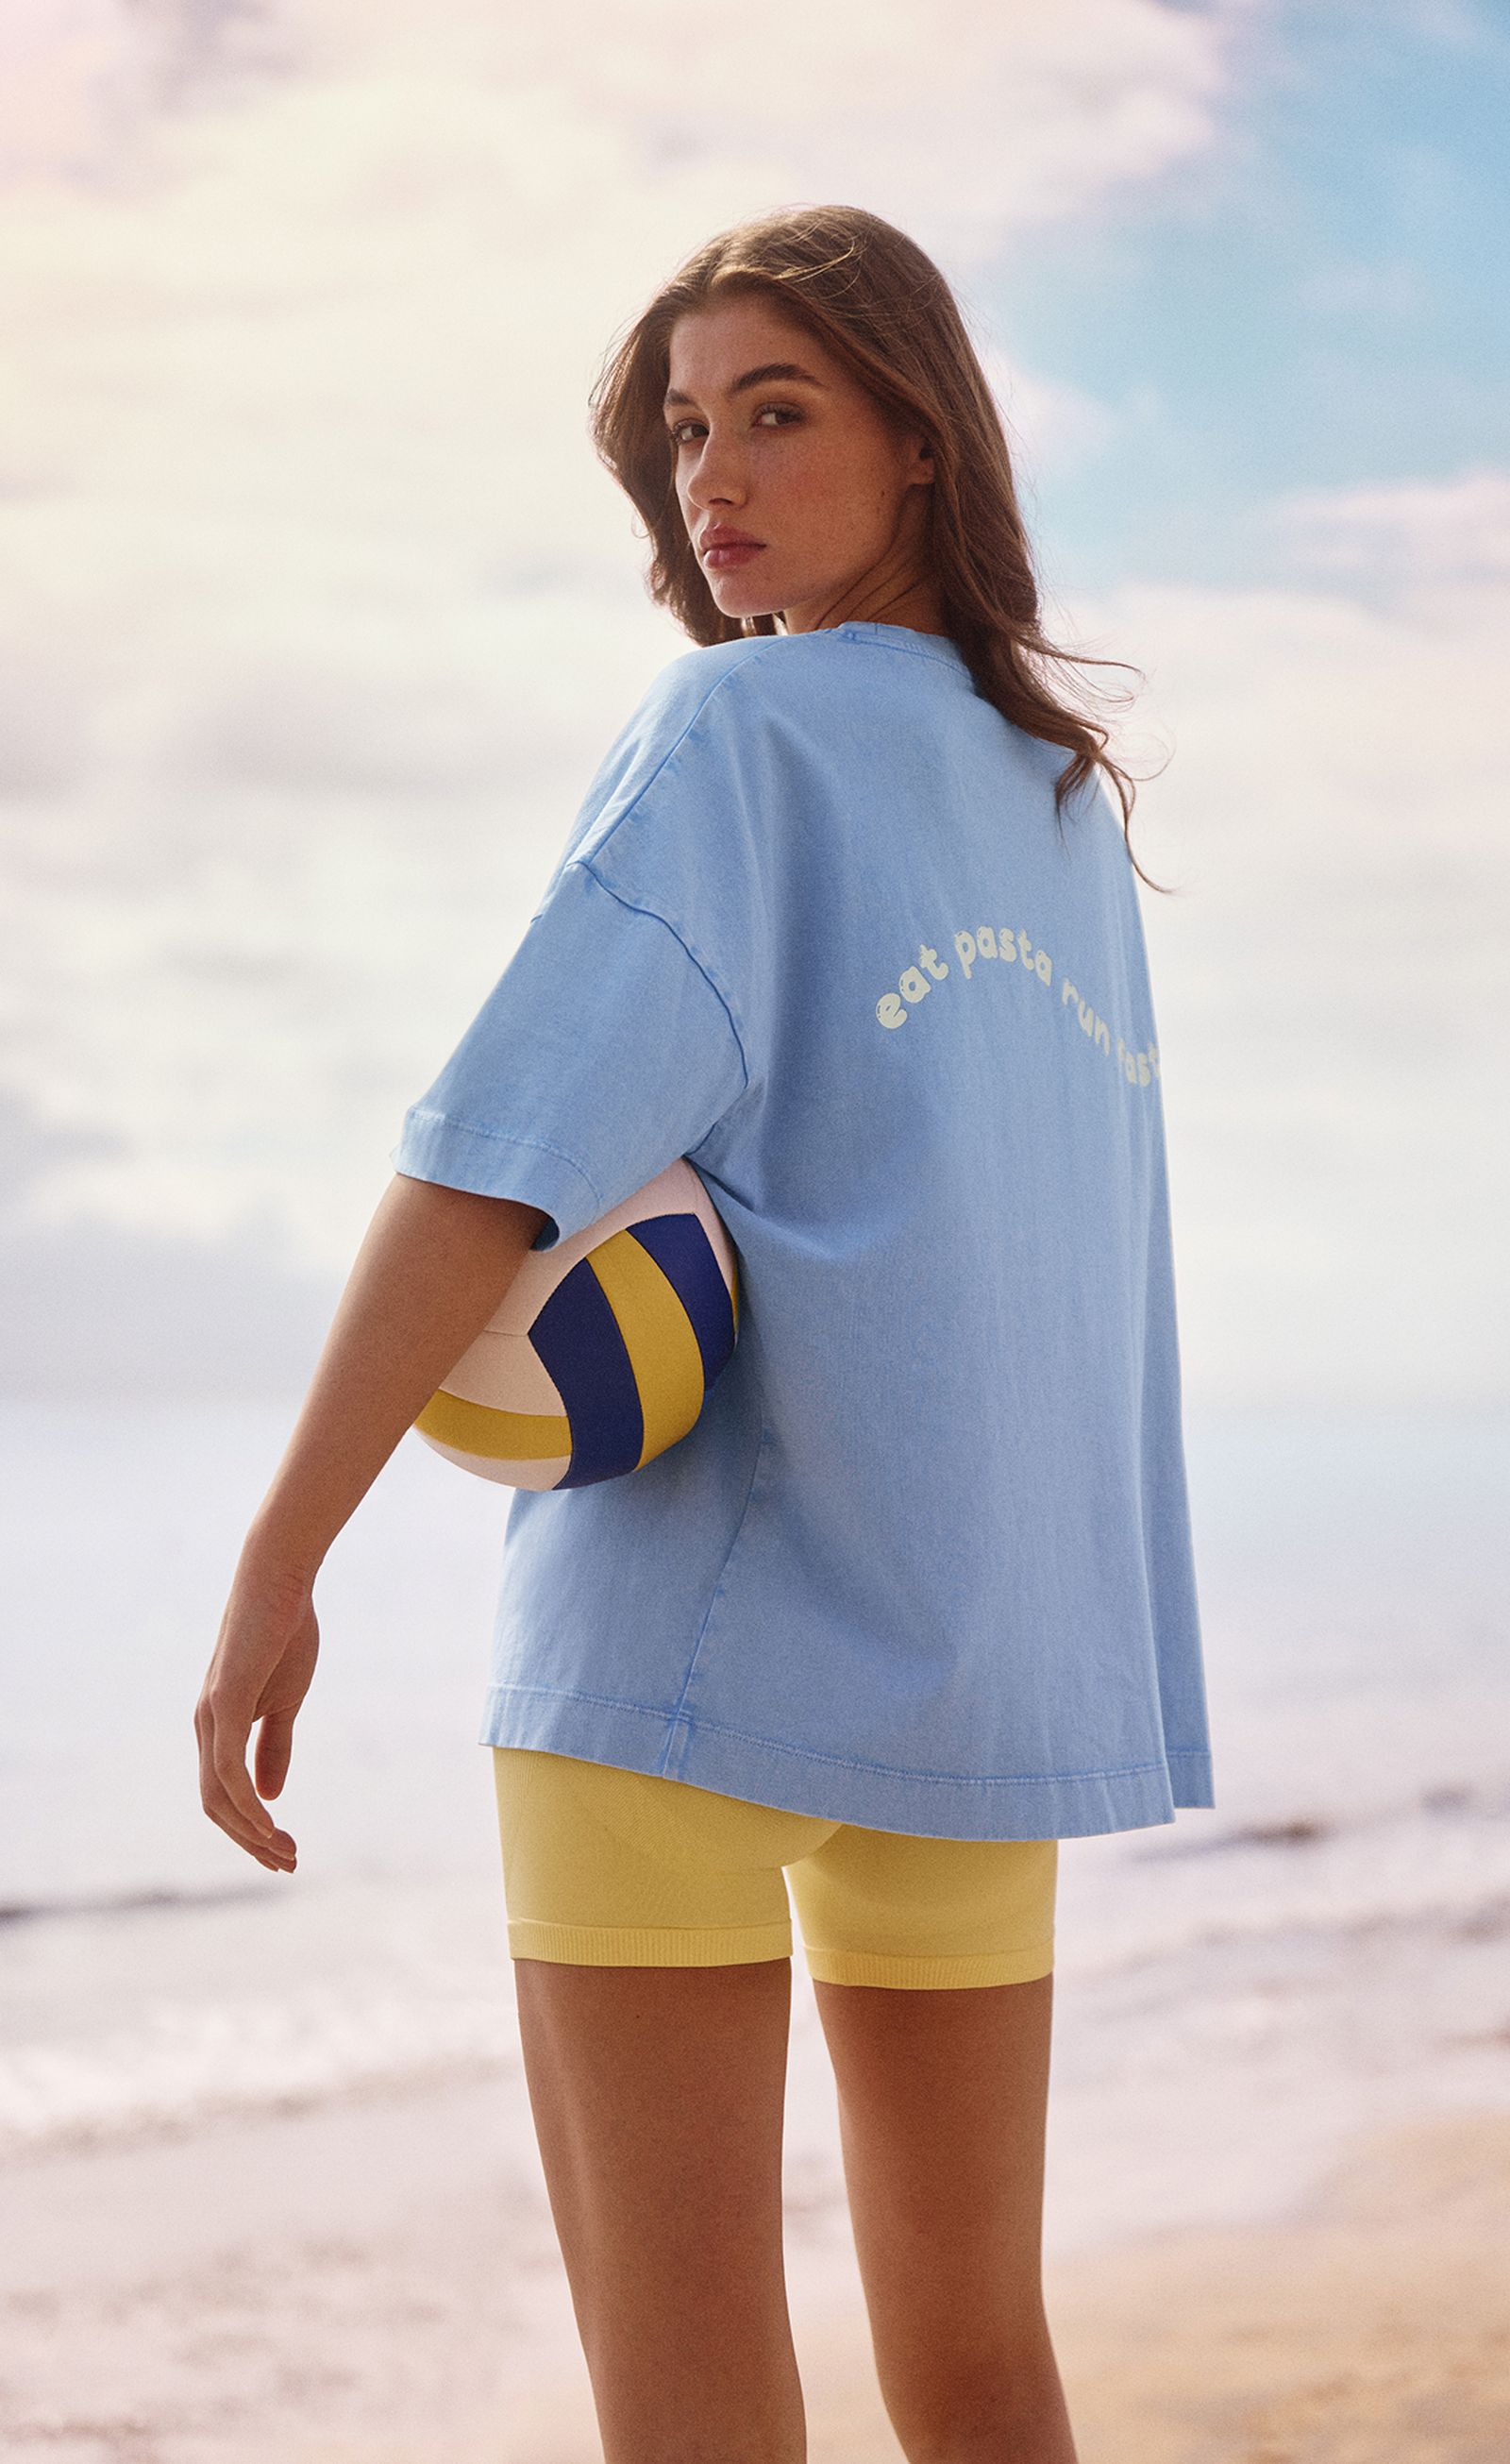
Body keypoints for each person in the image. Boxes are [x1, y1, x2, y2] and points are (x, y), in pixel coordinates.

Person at [196, 203, 1214, 2464]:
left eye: (777, 412)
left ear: (922, 441)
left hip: (678, 1659)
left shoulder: (733, 730)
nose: (710, 480)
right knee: (979, 2362)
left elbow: (490, 1159)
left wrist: (281, 1562)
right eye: (680, 430)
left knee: (690, 2412)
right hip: (970, 1673)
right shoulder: (1059, 799)